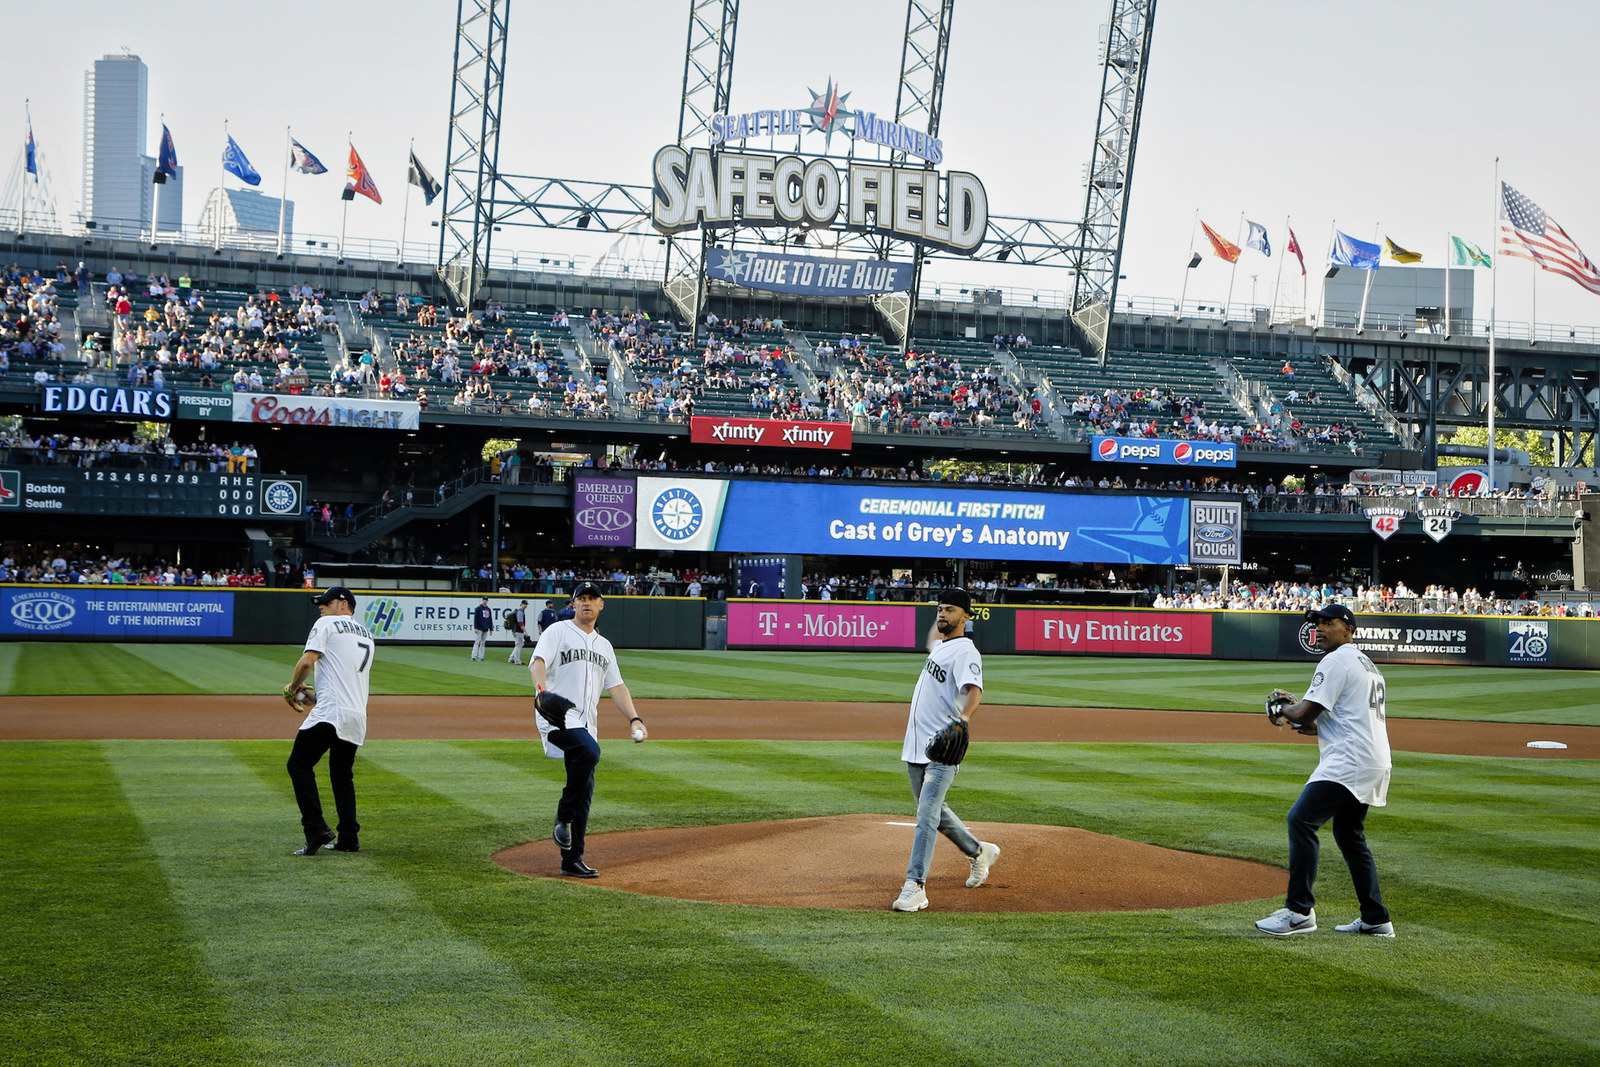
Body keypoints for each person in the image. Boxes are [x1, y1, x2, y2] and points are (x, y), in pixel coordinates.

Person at [1256, 603, 1395, 938]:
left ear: (1347, 629)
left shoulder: (1336, 659)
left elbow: (1303, 712)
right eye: (1316, 624)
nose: (1319, 629)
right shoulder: (1367, 664)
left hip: (1350, 760)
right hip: (1372, 758)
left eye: (1327, 623)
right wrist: (1320, 727)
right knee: (1349, 835)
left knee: (1300, 820)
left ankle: (1299, 911)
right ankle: (1376, 918)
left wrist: (1282, 707)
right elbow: (1351, 717)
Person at [892, 588, 1000, 913]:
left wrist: (963, 720)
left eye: (950, 610)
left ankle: (916, 886)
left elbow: (975, 690)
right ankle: (979, 851)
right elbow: (934, 635)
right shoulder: (941, 647)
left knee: (926, 816)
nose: (942, 614)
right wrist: (940, 605)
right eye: (940, 609)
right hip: (915, 748)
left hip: (942, 750)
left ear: (966, 616)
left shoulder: (966, 652)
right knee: (936, 814)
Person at [530, 582, 647, 878]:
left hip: (586, 725)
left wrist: (634, 718)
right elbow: (538, 662)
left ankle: (572, 859)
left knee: (585, 789)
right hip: (556, 716)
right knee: (590, 750)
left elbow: (617, 687)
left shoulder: (604, 646)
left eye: (592, 598)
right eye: (581, 598)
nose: (586, 603)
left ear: (601, 605)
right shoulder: (557, 631)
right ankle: (563, 816)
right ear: (573, 604)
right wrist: (541, 691)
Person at [283, 587, 373, 855]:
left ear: (343, 604)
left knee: (298, 765)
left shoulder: (327, 623)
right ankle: (348, 839)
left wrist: (292, 688)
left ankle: (316, 829)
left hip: (331, 713)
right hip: (356, 714)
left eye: (326, 601)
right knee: (342, 776)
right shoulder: (367, 634)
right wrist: (312, 696)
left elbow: (307, 662)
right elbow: (342, 679)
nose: (321, 607)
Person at [471, 596, 494, 661]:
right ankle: (474, 656)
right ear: (482, 600)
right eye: (484, 600)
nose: (485, 601)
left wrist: (491, 628)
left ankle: (481, 656)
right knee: (477, 641)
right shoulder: (478, 608)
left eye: (486, 600)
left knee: (483, 642)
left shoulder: (488, 609)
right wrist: (475, 627)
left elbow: (490, 619)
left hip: (485, 627)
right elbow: (476, 619)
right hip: (479, 627)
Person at [507, 599, 529, 666]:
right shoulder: (520, 612)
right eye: (524, 604)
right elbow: (520, 623)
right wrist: (525, 632)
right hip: (517, 630)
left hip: (517, 630)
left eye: (526, 604)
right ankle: (517, 660)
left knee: (520, 644)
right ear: (521, 604)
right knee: (518, 645)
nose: (525, 605)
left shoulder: (520, 611)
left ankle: (511, 658)